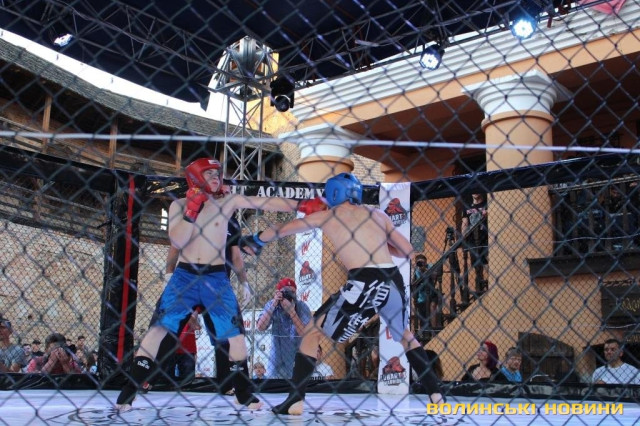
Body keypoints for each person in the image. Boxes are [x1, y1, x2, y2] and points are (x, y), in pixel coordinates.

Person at [114, 157, 324, 412]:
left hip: (216, 278)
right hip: (184, 276)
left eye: (218, 173)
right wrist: (192, 210)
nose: (216, 177)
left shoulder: (227, 203)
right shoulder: (179, 205)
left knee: (235, 336)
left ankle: (243, 393)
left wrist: (301, 205)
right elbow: (177, 241)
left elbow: (262, 201)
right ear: (195, 176)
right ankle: (129, 390)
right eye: (209, 173)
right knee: (157, 331)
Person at [241, 172, 444, 415]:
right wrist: (378, 243)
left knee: (312, 332)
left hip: (364, 280)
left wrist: (255, 240)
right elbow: (408, 250)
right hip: (393, 279)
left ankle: (295, 400)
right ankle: (436, 394)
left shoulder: (329, 215)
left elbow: (283, 229)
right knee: (405, 335)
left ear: (333, 193)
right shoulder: (378, 214)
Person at [256, 277, 312, 379]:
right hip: (277, 358)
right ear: (278, 293)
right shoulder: (272, 304)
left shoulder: (301, 306)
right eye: (286, 292)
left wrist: (292, 312)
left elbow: (305, 334)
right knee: (274, 385)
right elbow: (260, 327)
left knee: (298, 383)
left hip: (296, 358)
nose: (289, 295)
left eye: (292, 292)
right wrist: (273, 304)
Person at [462, 193, 489, 294]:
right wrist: (463, 236)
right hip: (472, 239)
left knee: (488, 260)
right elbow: (465, 222)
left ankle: (492, 283)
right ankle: (480, 285)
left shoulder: (487, 204)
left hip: (486, 238)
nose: (475, 192)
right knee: (477, 265)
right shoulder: (467, 206)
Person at [411, 254, 438, 333]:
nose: (421, 264)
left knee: (432, 306)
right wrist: (416, 269)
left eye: (422, 262)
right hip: (421, 297)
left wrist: (425, 269)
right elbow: (412, 283)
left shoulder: (430, 266)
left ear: (426, 262)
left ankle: (434, 331)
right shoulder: (415, 270)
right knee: (423, 318)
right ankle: (424, 333)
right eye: (419, 263)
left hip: (432, 294)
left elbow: (434, 276)